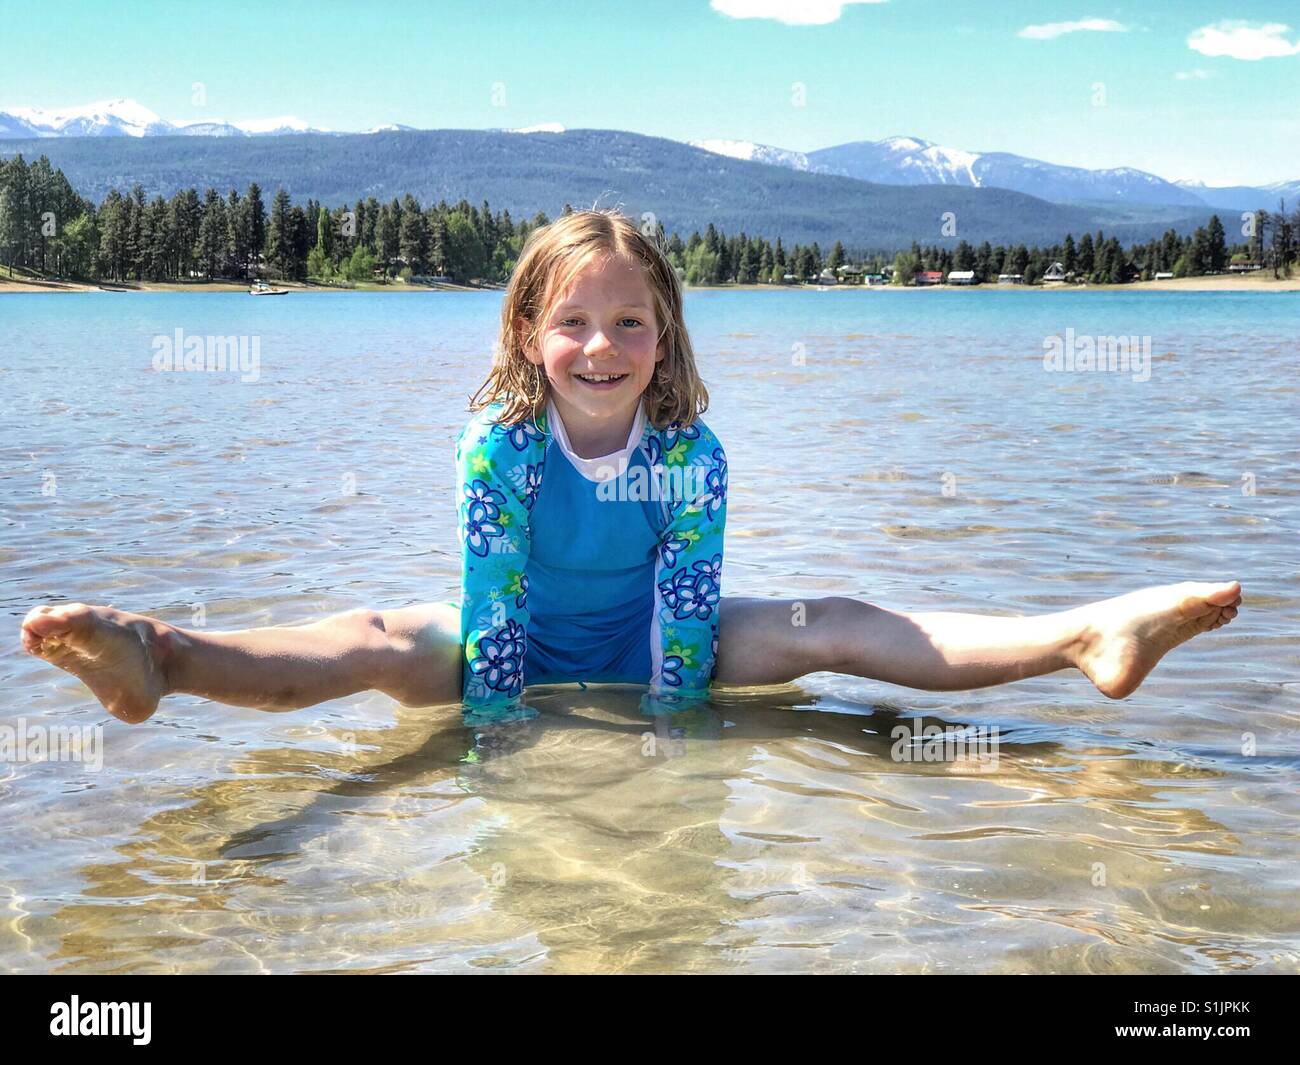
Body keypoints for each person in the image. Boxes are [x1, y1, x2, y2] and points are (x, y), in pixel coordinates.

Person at [20, 210, 1242, 725]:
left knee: (827, 618)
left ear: (666, 336)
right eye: (572, 324)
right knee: (383, 635)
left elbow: (689, 605)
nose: (600, 349)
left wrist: (674, 724)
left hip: (669, 640)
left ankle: (1083, 634)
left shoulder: (688, 454)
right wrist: (498, 730)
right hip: (514, 642)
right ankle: (162, 659)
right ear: (525, 336)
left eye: (629, 324)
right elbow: (492, 605)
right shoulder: (498, 447)